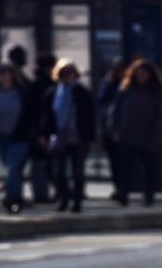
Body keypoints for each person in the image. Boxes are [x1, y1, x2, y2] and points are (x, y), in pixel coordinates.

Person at [40, 59, 96, 213]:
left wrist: (91, 137)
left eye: (70, 73)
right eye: (64, 73)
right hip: (59, 136)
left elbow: (89, 116)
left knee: (78, 171)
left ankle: (77, 202)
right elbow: (47, 116)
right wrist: (44, 134)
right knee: (59, 172)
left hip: (78, 136)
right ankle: (63, 199)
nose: (67, 76)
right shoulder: (53, 93)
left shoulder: (81, 92)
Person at [112, 59, 162, 207]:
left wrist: (156, 134)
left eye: (144, 73)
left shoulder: (155, 92)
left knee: (149, 168)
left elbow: (160, 115)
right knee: (126, 167)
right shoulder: (126, 90)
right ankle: (123, 195)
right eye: (139, 73)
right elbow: (116, 111)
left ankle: (148, 197)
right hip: (128, 134)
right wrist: (116, 128)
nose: (141, 76)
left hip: (147, 135)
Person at [0, 64, 35, 213]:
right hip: (0, 136)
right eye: (0, 73)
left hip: (19, 136)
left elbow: (31, 113)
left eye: (6, 73)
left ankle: (12, 198)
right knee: (11, 170)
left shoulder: (21, 92)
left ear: (12, 75)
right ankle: (15, 197)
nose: (3, 76)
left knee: (12, 167)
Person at [28, 53, 58, 204]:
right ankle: (52, 193)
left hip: (38, 131)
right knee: (49, 163)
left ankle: (41, 194)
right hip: (47, 130)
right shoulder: (51, 86)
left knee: (39, 164)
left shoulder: (34, 84)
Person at [97, 58, 128, 199]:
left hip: (126, 129)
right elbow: (101, 99)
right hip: (110, 129)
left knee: (125, 162)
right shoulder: (108, 84)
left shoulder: (129, 86)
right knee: (114, 162)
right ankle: (118, 189)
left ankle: (124, 190)